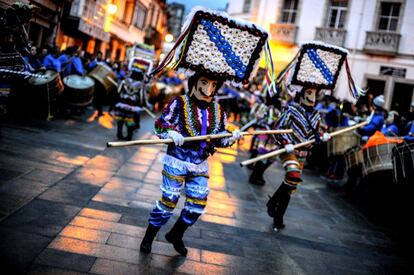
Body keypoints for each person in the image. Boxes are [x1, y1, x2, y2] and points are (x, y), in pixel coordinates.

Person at [139, 6, 269, 256]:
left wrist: (231, 137)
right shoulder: (180, 103)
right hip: (176, 161)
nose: (207, 89)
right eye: (203, 83)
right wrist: (170, 133)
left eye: (212, 85)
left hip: (200, 163)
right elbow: (160, 124)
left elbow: (219, 138)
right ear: (194, 83)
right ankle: (149, 237)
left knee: (196, 206)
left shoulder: (218, 110)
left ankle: (176, 234)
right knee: (167, 203)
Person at [264, 42, 364, 231]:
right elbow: (277, 128)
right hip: (289, 151)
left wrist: (323, 135)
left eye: (315, 93)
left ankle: (277, 212)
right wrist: (285, 143)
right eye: (309, 92)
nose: (312, 96)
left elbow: (315, 132)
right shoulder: (291, 109)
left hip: (303, 153)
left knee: (291, 186)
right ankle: (275, 211)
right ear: (301, 94)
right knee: (292, 176)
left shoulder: (317, 114)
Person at [114, 68, 145, 140]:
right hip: (132, 105)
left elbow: (118, 91)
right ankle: (129, 136)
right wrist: (141, 104)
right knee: (130, 119)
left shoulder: (124, 81)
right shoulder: (140, 85)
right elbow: (141, 96)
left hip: (122, 103)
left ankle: (119, 133)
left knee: (120, 118)